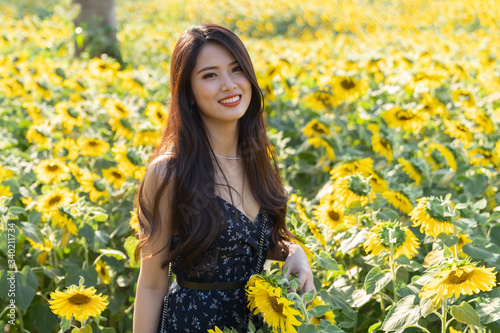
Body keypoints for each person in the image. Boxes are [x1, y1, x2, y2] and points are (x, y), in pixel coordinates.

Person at [132, 23, 314, 333]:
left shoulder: (256, 158)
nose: (229, 85)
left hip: (254, 324)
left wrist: (293, 251)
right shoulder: (169, 172)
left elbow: (248, 242)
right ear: (187, 92)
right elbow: (151, 284)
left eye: (236, 70)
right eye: (210, 75)